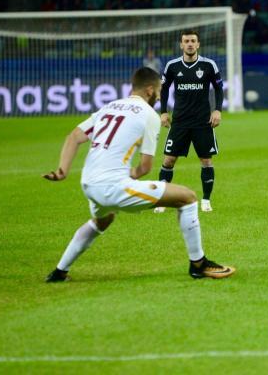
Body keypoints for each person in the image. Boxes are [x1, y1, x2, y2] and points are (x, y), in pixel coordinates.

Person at [43, 67, 234, 282]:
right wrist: (127, 177)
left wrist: (62, 171)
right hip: (112, 185)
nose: (160, 96)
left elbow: (74, 137)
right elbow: (145, 167)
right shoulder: (148, 115)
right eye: (160, 91)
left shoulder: (108, 107)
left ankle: (59, 272)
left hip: (88, 182)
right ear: (150, 90)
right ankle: (198, 264)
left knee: (102, 221)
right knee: (187, 198)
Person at [154, 30, 223, 214]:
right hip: (180, 122)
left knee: (206, 161)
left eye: (193, 41)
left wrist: (217, 110)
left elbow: (218, 88)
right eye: (186, 41)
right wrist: (163, 112)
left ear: (198, 44)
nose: (190, 44)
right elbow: (164, 89)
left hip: (202, 122)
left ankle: (206, 200)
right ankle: (162, 200)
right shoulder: (172, 66)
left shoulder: (209, 65)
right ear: (181, 45)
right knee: (168, 160)